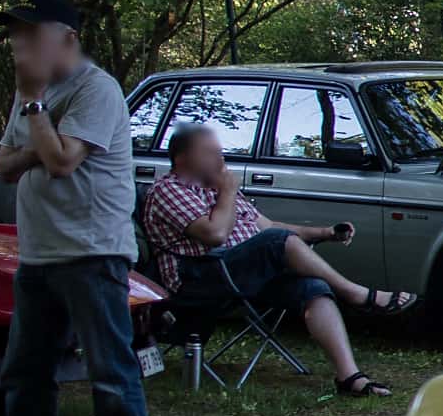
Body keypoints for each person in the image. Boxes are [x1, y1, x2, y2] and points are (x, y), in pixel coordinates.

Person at [0, 0, 158, 416]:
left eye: (30, 35)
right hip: (39, 254)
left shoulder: (96, 89)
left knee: (109, 369)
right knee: (26, 373)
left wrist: (37, 113)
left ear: (68, 39)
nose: (18, 46)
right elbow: (4, 166)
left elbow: (60, 163)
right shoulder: (30, 94)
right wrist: (43, 138)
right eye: (15, 36)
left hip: (92, 250)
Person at [141, 123, 417, 394]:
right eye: (210, 152)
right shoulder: (169, 190)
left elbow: (269, 226)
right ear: (183, 157)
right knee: (275, 242)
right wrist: (228, 192)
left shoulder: (216, 189)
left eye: (219, 151)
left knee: (313, 288)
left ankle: (349, 377)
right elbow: (215, 234)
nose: (220, 158)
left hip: (243, 273)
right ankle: (357, 294)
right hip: (200, 278)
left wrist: (325, 232)